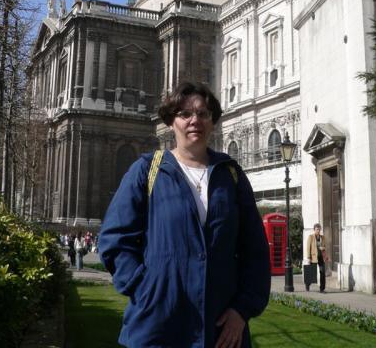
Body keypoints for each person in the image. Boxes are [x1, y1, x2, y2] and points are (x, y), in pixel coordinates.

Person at [99, 81, 271, 348]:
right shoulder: (147, 170)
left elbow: (256, 252)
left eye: (203, 114)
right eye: (185, 114)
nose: (195, 121)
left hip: (221, 328)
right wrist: (146, 290)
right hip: (158, 325)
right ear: (171, 122)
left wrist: (242, 310)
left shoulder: (231, 175)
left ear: (212, 121)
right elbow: (114, 240)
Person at [305, 223, 327, 292]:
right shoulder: (311, 237)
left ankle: (322, 288)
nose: (318, 230)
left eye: (319, 229)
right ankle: (307, 284)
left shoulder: (322, 237)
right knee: (311, 273)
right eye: (317, 229)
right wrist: (308, 257)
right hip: (313, 257)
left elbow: (325, 247)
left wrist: (323, 248)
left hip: (321, 257)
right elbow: (308, 247)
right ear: (314, 230)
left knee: (322, 272)